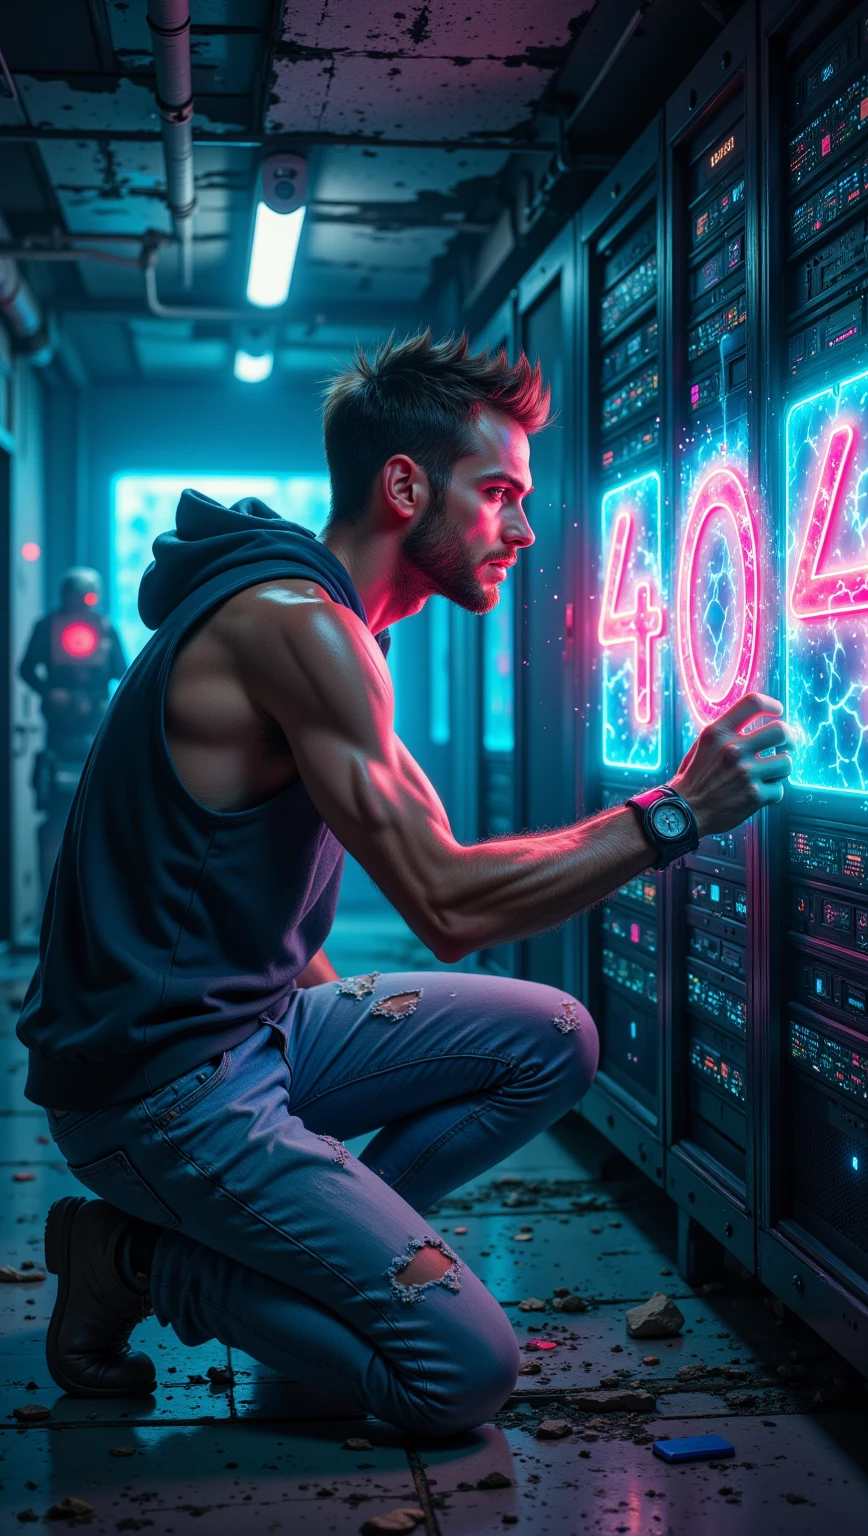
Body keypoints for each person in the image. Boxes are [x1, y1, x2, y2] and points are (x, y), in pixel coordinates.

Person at [17, 332, 793, 1434]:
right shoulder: (302, 632)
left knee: (555, 1036)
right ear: (403, 486)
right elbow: (446, 904)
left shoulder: (326, 624)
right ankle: (134, 1262)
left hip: (248, 1038)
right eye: (499, 494)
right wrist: (674, 815)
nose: (522, 528)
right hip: (157, 1094)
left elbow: (370, 880)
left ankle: (315, 1263)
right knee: (460, 1375)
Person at [18, 567, 127, 891]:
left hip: (95, 734)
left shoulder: (105, 628)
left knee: (95, 818)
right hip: (60, 737)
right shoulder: (48, 626)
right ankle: (49, 901)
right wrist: (52, 693)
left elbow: (120, 670)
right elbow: (26, 669)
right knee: (55, 818)